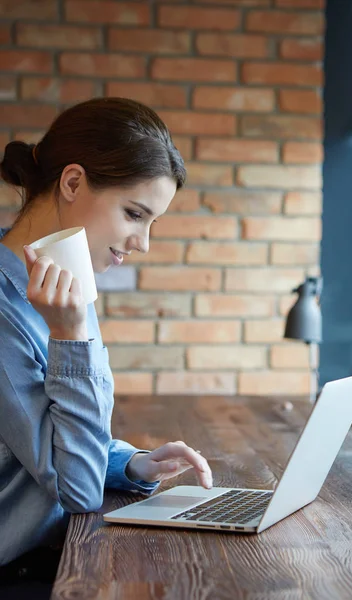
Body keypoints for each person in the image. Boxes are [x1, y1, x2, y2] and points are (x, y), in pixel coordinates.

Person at [0, 97, 213, 591]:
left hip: (55, 554)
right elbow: (76, 488)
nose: (142, 242)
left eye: (151, 222)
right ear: (72, 182)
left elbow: (57, 437)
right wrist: (72, 335)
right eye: (135, 214)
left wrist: (129, 461)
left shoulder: (66, 281)